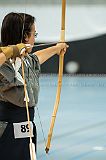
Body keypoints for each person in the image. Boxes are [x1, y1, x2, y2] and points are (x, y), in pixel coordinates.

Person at [0, 12, 68, 160]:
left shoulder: (26, 60)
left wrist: (57, 48)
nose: (34, 38)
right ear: (25, 36)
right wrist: (11, 50)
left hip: (27, 128)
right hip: (6, 130)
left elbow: (38, 57)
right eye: (33, 34)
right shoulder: (4, 63)